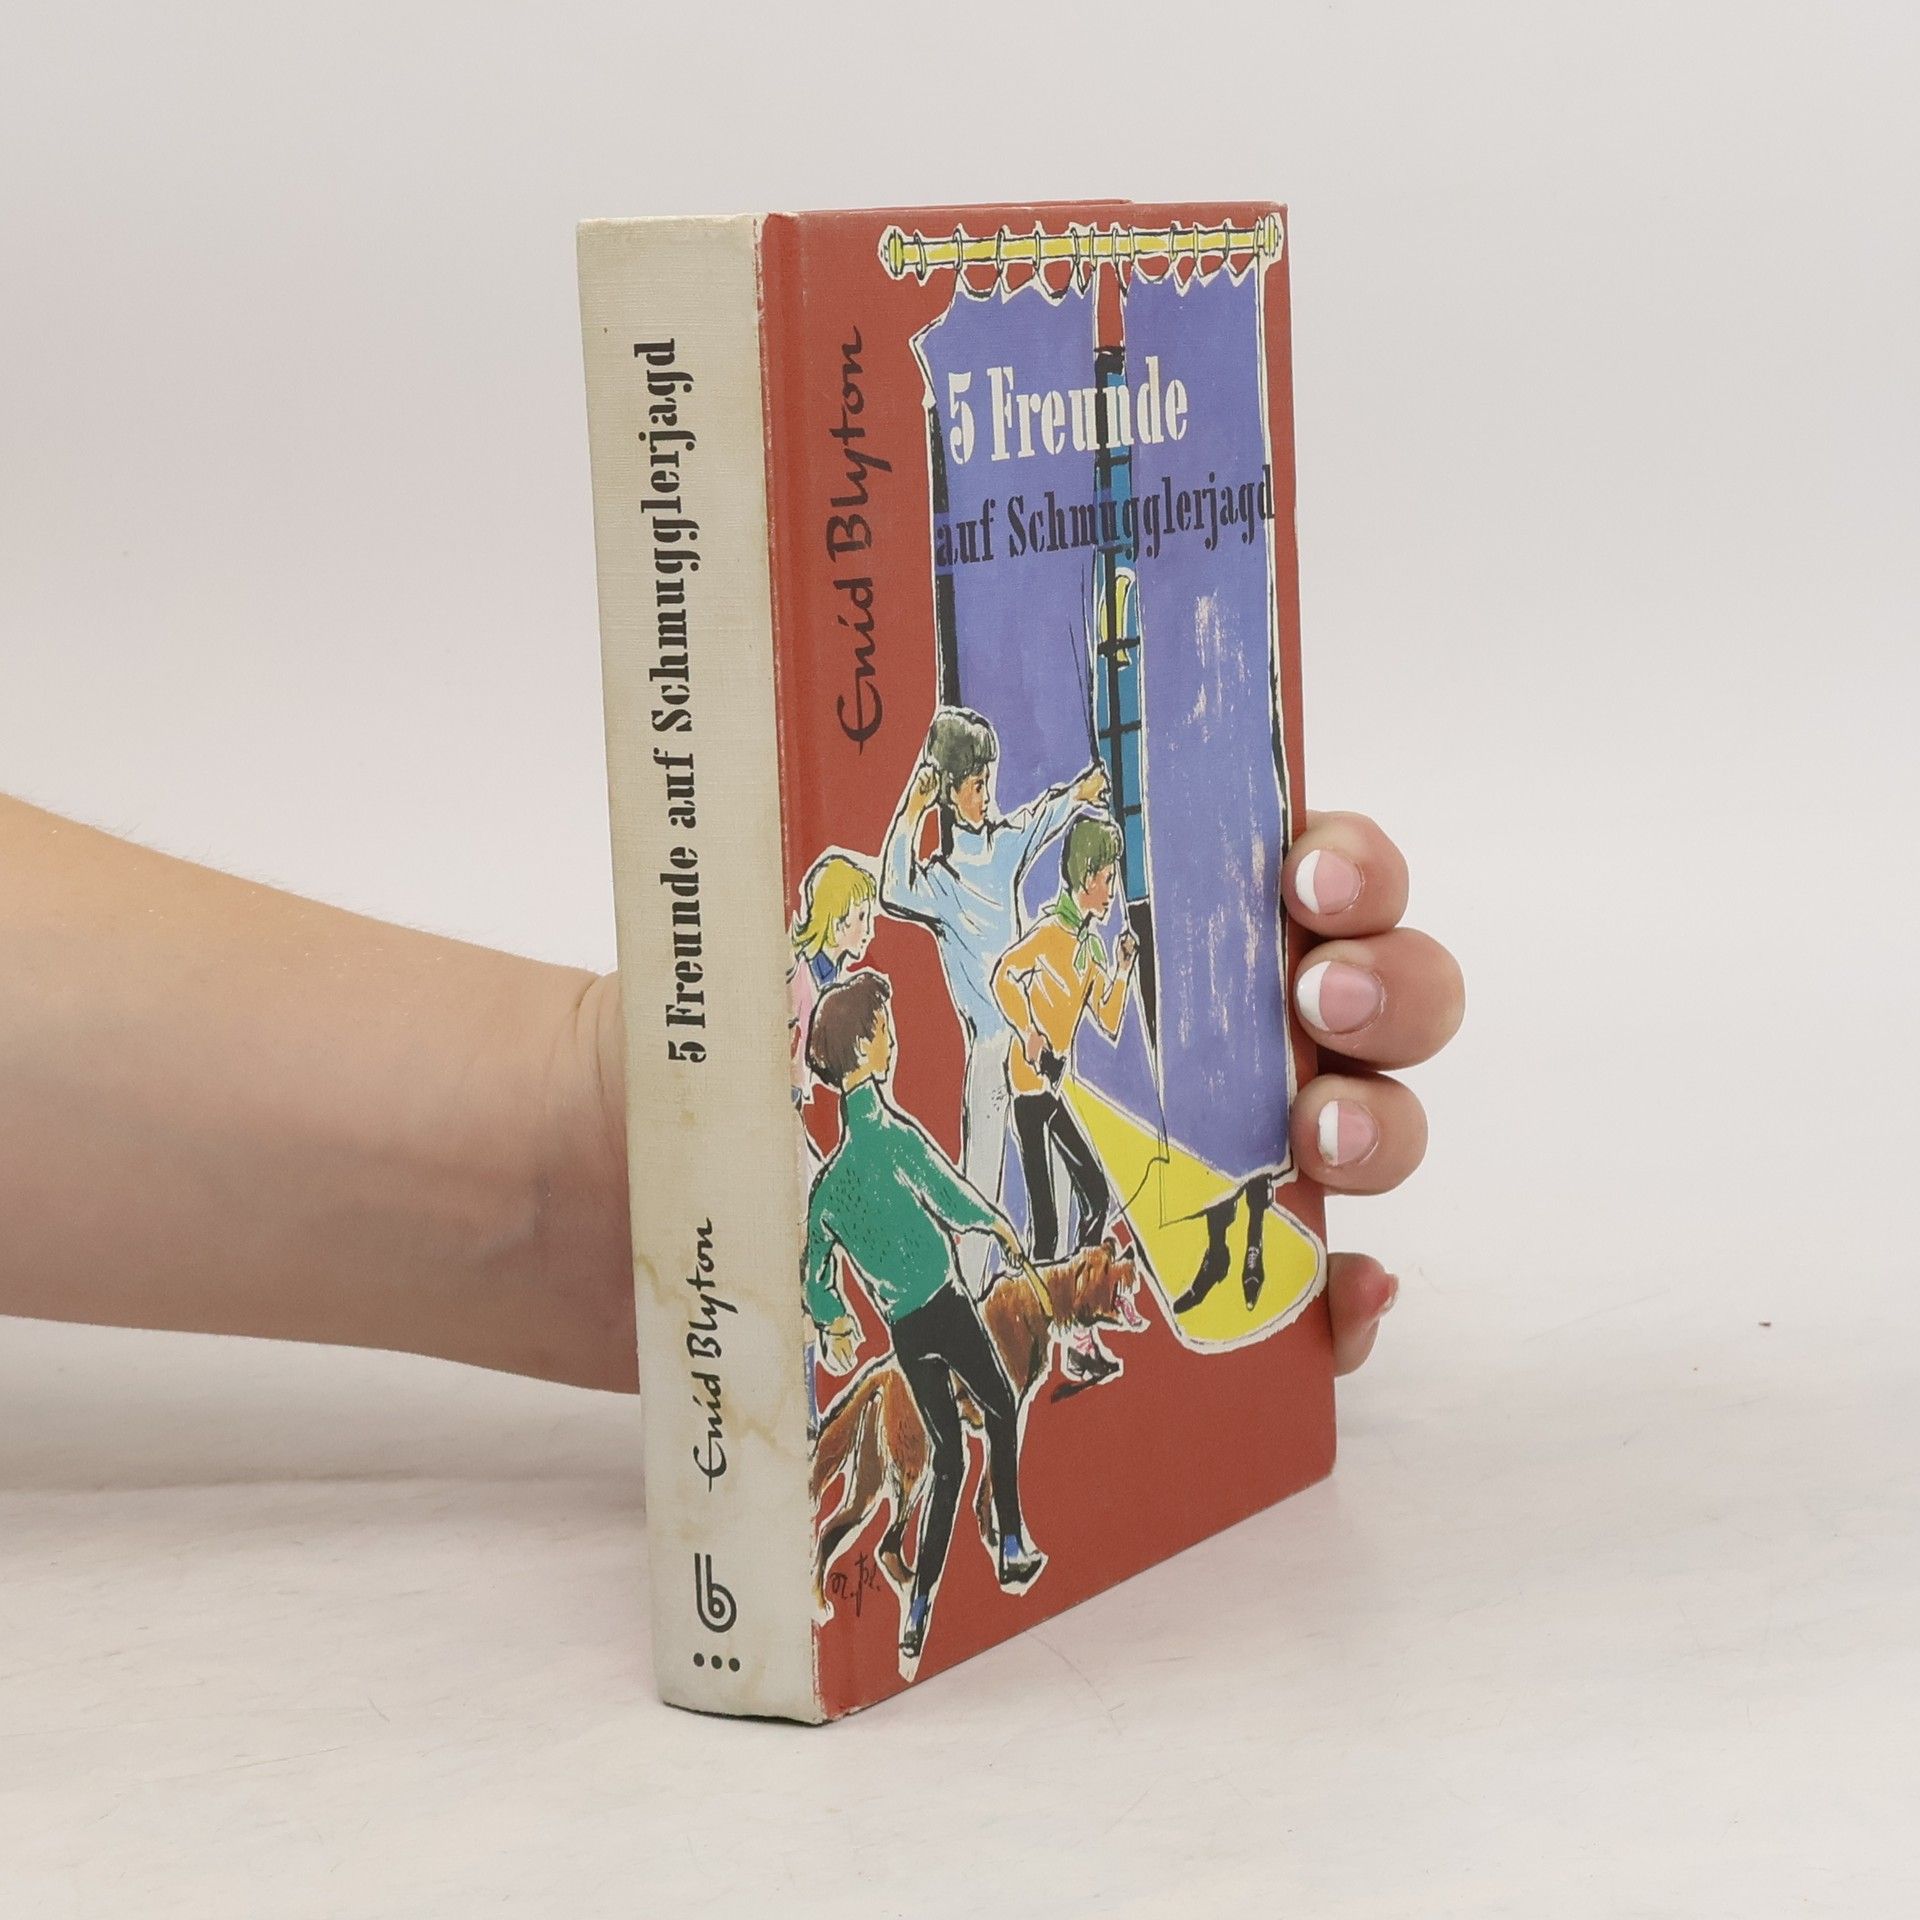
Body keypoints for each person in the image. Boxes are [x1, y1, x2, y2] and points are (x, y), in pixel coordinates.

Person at [0, 791, 1460, 1413]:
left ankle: (1081, 1285)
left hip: (926, 1117)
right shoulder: (932, 917)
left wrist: (620, 1164)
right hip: (989, 1080)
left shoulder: (1005, 913)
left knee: (1062, 1176)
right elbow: (977, 942)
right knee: (1046, 1168)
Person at [801, 971, 1038, 1664]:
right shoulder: (892, 1139)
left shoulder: (831, 1184)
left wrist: (835, 1317)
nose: (894, 1042)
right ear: (866, 1049)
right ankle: (1011, 1542)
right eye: (886, 1032)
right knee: (1000, 1404)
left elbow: (815, 1269)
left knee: (948, 1459)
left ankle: (920, 1604)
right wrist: (996, 1224)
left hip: (906, 1331)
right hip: (945, 1304)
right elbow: (949, 1194)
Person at [879, 708, 1108, 1295]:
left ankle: (1053, 1292)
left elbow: (1040, 819)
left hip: (1029, 1040)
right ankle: (973, 1293)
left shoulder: (1003, 846)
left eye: (988, 782)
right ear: (951, 791)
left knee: (1054, 1174)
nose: (987, 795)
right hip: (990, 1046)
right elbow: (891, 886)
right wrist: (912, 808)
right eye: (977, 785)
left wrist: (1080, 793)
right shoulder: (939, 882)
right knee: (982, 1179)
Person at [992, 814, 1137, 1385]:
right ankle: (1035, 1337)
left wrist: (1121, 969)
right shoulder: (1051, 932)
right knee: (1048, 1227)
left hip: (1052, 1091)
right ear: (1086, 877)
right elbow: (1004, 976)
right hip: (1030, 1090)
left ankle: (1077, 1328)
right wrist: (1029, 1032)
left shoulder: (1090, 948)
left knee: (1094, 1196)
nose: (1113, 888)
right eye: (1108, 877)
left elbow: (1108, 1017)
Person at [786, 851, 878, 1438]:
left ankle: (811, 1397)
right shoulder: (800, 978)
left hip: (795, 1124)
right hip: (777, 1128)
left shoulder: (828, 983)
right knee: (809, 1240)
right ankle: (806, 1407)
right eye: (860, 917)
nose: (868, 930)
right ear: (834, 918)